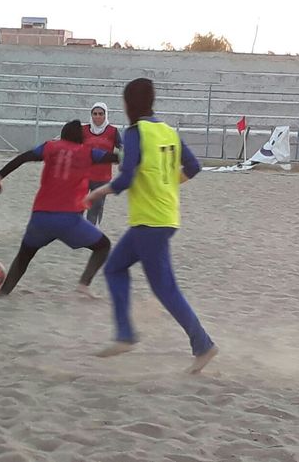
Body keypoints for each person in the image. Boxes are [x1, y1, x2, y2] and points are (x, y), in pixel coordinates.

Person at [84, 78, 217, 374]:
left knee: (165, 289)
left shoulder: (135, 132)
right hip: (163, 217)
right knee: (115, 268)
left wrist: (97, 192)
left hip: (150, 222)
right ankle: (125, 334)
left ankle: (203, 345)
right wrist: (168, 185)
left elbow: (126, 178)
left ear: (130, 103)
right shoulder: (167, 130)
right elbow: (193, 167)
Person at [0, 120, 118, 297]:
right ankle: (83, 284)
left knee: (24, 256)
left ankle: (3, 292)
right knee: (103, 246)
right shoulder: (87, 152)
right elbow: (114, 158)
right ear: (80, 137)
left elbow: (24, 157)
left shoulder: (50, 147)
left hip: (40, 217)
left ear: (63, 134)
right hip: (69, 220)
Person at [83, 102, 122, 225]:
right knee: (78, 205)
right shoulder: (82, 130)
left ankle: (92, 232)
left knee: (96, 207)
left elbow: (123, 148)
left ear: (106, 115)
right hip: (82, 175)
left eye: (101, 114)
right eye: (95, 114)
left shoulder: (113, 131)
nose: (98, 117)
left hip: (102, 177)